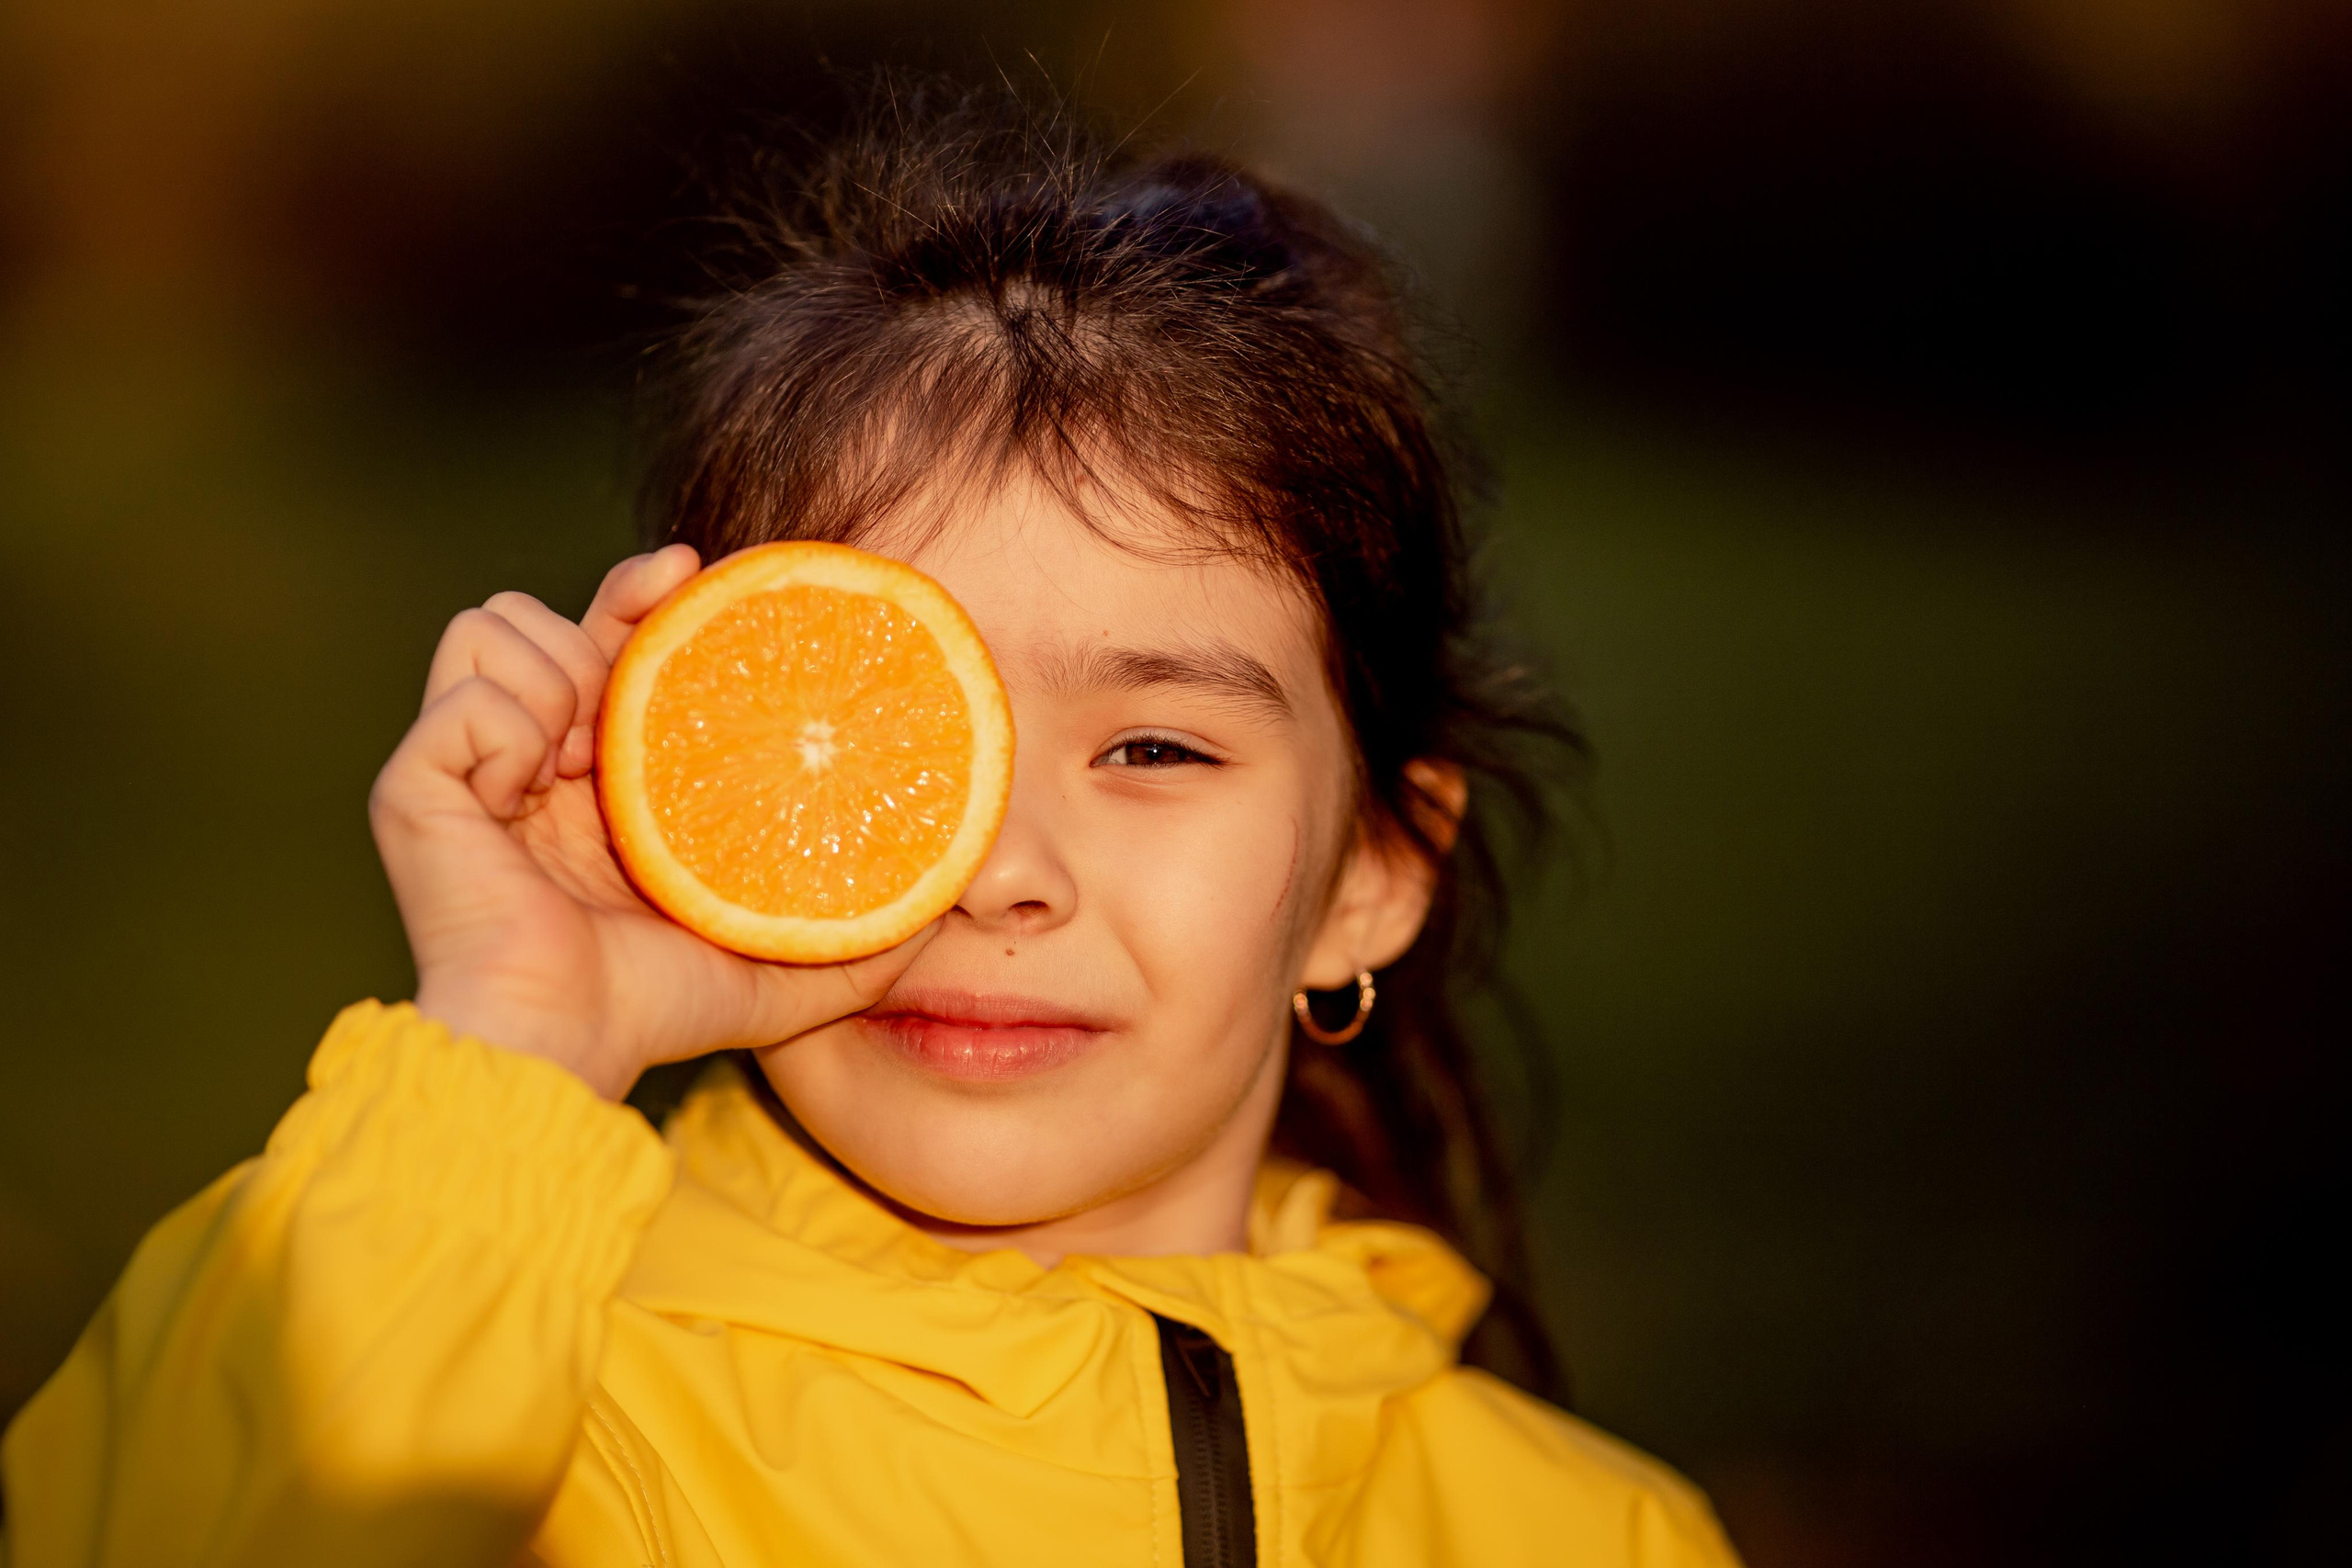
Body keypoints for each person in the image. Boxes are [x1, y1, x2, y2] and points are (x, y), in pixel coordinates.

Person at [1, 86, 1742, 1567]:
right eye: (893, 743)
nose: (999, 874)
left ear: (1373, 874)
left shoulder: (1591, 1536)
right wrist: (515, 1043)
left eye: (1152, 747)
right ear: (688, 762)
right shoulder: (532, 1442)